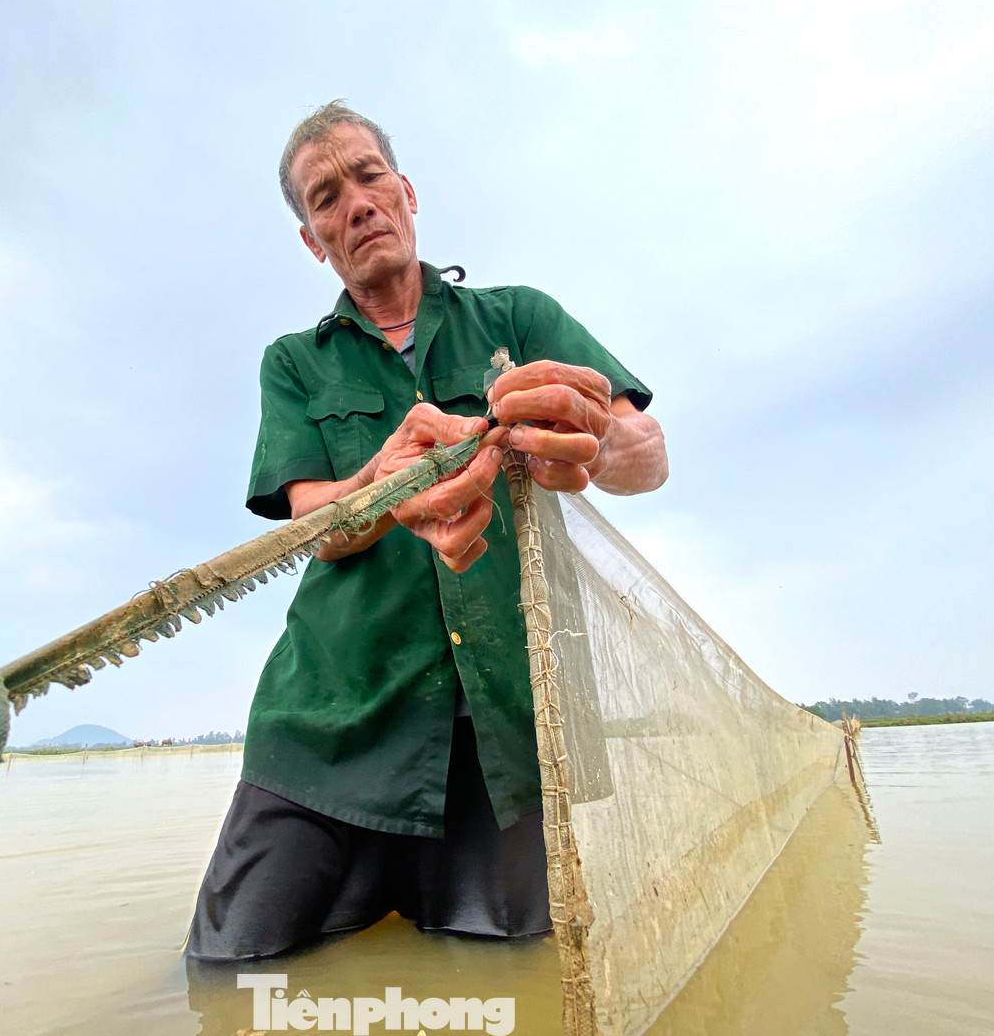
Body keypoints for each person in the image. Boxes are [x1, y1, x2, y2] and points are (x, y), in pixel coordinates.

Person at [186, 101, 667, 961]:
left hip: (506, 729)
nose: (357, 202)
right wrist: (379, 474)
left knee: (509, 973)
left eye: (370, 176)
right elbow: (311, 526)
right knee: (230, 970)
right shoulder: (295, 361)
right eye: (325, 196)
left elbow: (647, 454)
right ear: (313, 241)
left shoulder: (517, 317)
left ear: (406, 192)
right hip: (331, 718)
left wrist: (590, 435)